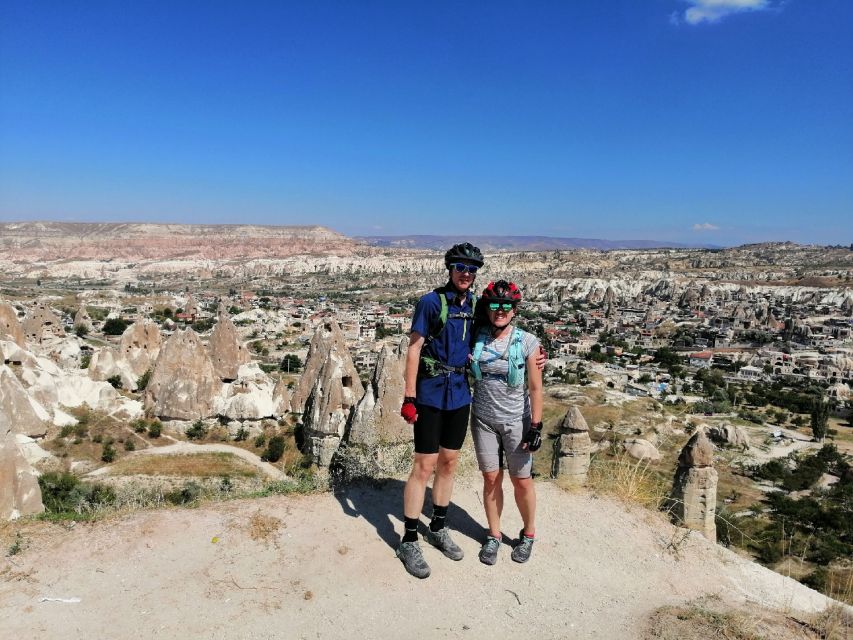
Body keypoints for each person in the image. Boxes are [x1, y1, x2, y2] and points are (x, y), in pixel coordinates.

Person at [396, 242, 484, 579]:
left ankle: (439, 526)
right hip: (431, 394)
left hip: (460, 394)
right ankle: (408, 539)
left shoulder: (474, 305)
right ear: (449, 269)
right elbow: (414, 349)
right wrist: (409, 396)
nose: (466, 274)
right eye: (461, 268)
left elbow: (499, 329)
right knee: (424, 465)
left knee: (449, 463)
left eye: (472, 269)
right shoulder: (431, 303)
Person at [469, 280, 543, 565]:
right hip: (483, 419)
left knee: (521, 480)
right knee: (490, 478)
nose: (500, 310)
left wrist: (536, 425)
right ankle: (494, 534)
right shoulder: (478, 335)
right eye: (495, 305)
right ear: (487, 308)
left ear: (514, 310)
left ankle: (528, 534)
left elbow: (535, 388)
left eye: (506, 306)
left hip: (516, 419)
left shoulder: (527, 342)